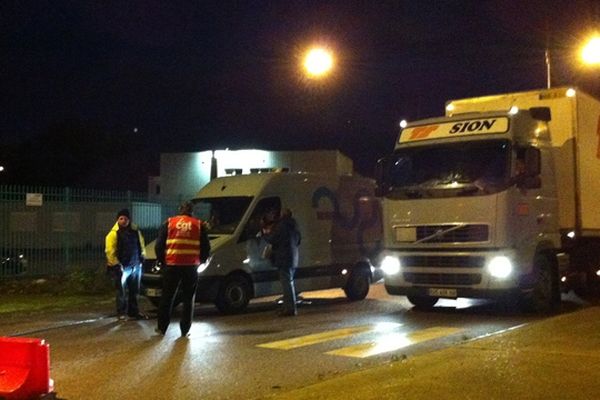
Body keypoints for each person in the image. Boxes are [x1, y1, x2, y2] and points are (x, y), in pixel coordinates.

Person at [155, 201, 211, 337]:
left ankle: (162, 328)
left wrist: (163, 261)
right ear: (192, 211)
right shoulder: (198, 224)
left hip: (172, 265)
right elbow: (206, 247)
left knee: (167, 297)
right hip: (190, 266)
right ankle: (185, 329)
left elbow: (159, 245)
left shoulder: (169, 223)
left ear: (180, 210)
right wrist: (201, 261)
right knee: (188, 298)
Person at [104, 208, 147, 321]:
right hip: (122, 267)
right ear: (117, 220)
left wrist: (142, 256)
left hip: (135, 265)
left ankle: (134, 311)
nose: (123, 221)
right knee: (121, 291)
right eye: (121, 218)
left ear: (129, 219)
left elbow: (141, 244)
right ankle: (121, 313)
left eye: (125, 218)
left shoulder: (135, 231)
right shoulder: (113, 234)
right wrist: (116, 265)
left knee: (134, 290)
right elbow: (110, 251)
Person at [264, 208, 301, 316]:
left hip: (283, 258)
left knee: (286, 284)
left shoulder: (282, 225)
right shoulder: (294, 226)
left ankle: (289, 308)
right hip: (293, 257)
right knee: (289, 283)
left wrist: (265, 234)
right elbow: (298, 240)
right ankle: (288, 307)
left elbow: (273, 239)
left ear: (282, 215)